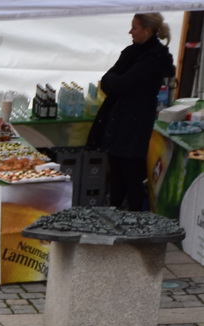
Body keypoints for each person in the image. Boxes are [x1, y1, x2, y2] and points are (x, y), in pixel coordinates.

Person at [88, 14, 171, 211]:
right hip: (119, 120)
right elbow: (107, 81)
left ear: (147, 31)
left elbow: (120, 83)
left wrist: (114, 81)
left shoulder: (155, 57)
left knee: (130, 173)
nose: (130, 32)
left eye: (134, 28)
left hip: (134, 124)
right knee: (116, 170)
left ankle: (135, 217)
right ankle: (115, 211)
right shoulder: (131, 52)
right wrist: (113, 81)